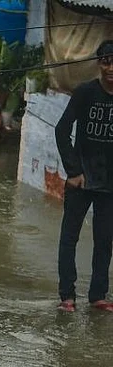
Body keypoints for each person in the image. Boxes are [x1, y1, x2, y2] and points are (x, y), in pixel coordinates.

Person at [54, 39, 113, 312]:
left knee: (104, 241)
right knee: (69, 238)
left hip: (110, 184)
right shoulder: (85, 93)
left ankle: (98, 295)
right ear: (99, 64)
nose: (111, 68)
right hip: (82, 180)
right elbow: (62, 130)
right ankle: (67, 296)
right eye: (106, 61)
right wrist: (74, 171)